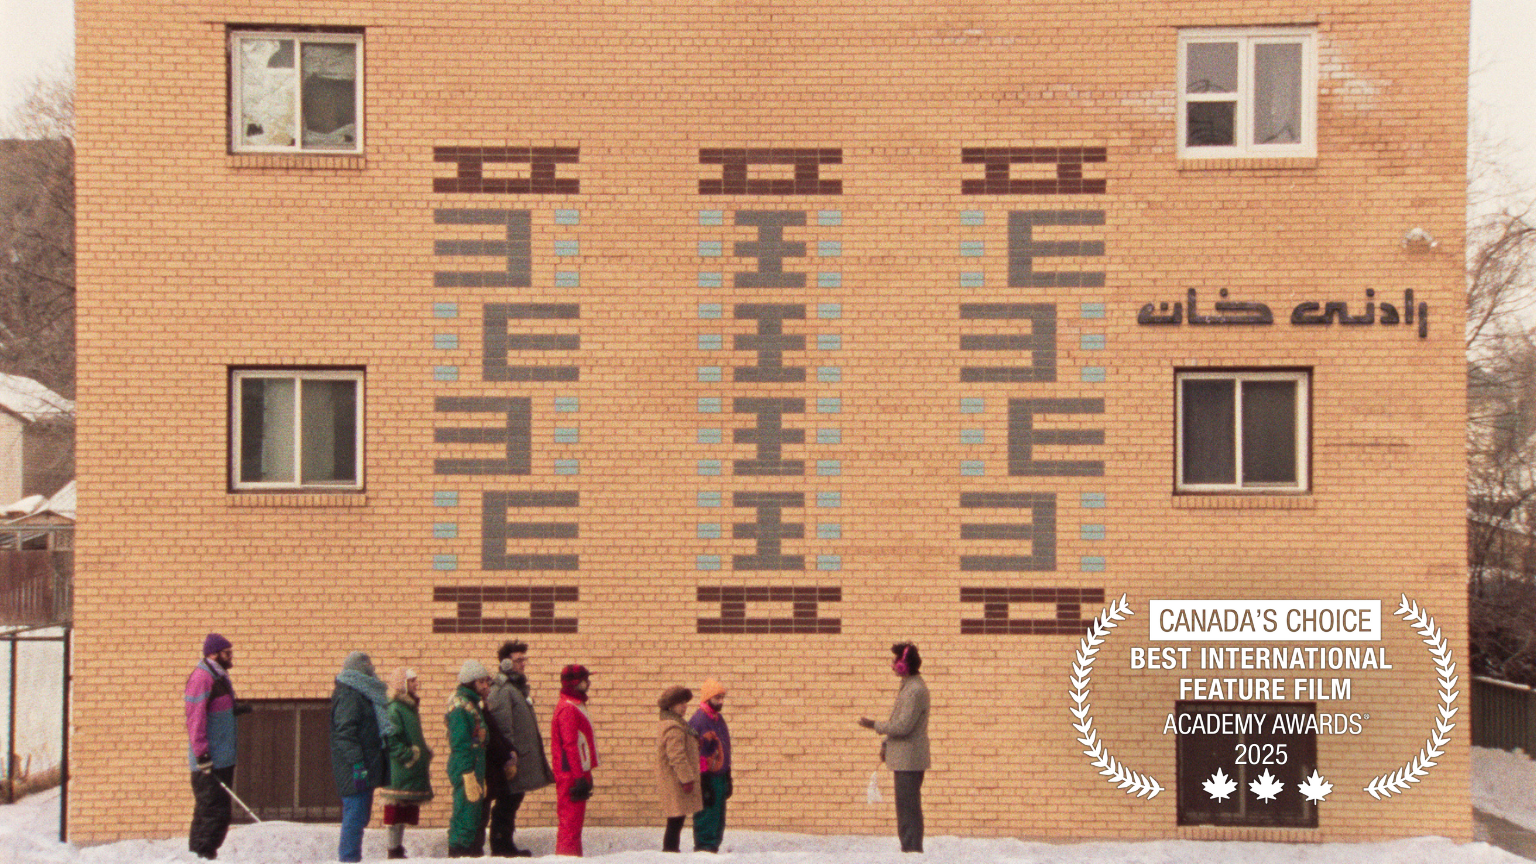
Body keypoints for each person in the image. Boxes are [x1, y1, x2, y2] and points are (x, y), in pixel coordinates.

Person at [858, 642, 930, 853]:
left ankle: (912, 851)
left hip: (909, 760)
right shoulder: (910, 687)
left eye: (894, 661)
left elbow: (902, 726)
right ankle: (909, 849)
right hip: (905, 758)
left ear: (903, 665)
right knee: (906, 808)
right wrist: (886, 745)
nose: (891, 665)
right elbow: (900, 722)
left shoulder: (914, 690)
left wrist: (874, 725)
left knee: (908, 810)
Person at [484, 641, 554, 857]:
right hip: (511, 759)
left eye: (525, 659)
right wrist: (509, 758)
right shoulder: (502, 690)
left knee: (513, 800)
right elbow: (503, 727)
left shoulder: (516, 688)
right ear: (505, 663)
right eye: (518, 660)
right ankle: (501, 845)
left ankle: (506, 843)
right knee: (507, 801)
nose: (523, 664)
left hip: (518, 757)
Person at [331, 651, 392, 863]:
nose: (373, 668)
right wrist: (357, 763)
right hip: (355, 768)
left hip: (364, 765)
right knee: (355, 817)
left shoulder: (363, 693)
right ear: (359, 668)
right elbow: (344, 733)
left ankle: (351, 858)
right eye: (368, 664)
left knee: (359, 817)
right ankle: (349, 859)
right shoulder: (350, 694)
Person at [185, 633, 239, 860]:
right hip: (210, 760)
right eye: (227, 653)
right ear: (213, 654)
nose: (231, 656)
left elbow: (218, 709)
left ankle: (200, 855)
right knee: (213, 812)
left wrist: (238, 710)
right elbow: (195, 719)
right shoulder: (202, 678)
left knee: (212, 811)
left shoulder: (218, 676)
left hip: (223, 756)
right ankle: (202, 855)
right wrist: (202, 753)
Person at [380, 668, 434, 860]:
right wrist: (409, 755)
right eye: (411, 681)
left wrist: (423, 751)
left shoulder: (408, 707)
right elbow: (391, 740)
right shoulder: (395, 708)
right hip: (399, 768)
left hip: (406, 768)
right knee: (394, 809)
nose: (415, 684)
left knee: (402, 809)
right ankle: (393, 848)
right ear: (402, 685)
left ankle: (397, 848)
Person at [446, 660, 494, 858]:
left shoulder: (473, 704)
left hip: (475, 767)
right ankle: (457, 854)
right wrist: (467, 774)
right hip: (467, 768)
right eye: (481, 682)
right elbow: (460, 744)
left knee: (473, 816)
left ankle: (468, 854)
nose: (485, 686)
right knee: (464, 816)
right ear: (470, 683)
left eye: (486, 681)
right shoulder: (460, 707)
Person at [551, 664, 597, 856]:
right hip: (571, 774)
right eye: (586, 679)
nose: (589, 682)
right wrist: (579, 777)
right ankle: (567, 858)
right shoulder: (569, 709)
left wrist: (585, 774)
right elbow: (570, 745)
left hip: (576, 772)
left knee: (574, 826)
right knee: (570, 826)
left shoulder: (575, 704)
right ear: (576, 683)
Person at [655, 686, 703, 853]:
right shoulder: (673, 726)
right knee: (675, 821)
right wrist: (687, 779)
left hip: (676, 781)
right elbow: (676, 756)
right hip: (676, 782)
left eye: (685, 703)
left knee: (676, 820)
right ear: (670, 706)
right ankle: (670, 852)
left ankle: (671, 852)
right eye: (680, 703)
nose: (684, 706)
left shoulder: (678, 724)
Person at [688, 678, 732, 853]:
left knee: (718, 815)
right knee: (707, 814)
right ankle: (704, 849)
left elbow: (725, 748)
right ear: (707, 698)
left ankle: (713, 846)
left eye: (722, 697)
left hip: (720, 776)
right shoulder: (699, 720)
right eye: (717, 698)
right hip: (706, 777)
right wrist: (704, 781)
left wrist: (728, 776)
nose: (721, 701)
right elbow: (694, 752)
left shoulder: (718, 719)